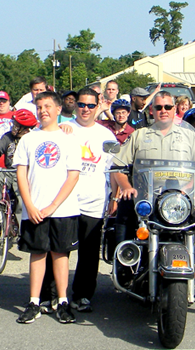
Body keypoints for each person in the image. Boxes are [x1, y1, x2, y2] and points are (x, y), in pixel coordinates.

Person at [113, 91, 195, 323]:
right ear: (152, 110)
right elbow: (118, 166)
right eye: (158, 107)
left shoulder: (188, 136)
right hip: (148, 200)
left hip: (180, 202)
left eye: (168, 107)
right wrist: (127, 187)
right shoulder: (139, 136)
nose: (163, 111)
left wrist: (187, 188)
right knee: (125, 218)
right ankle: (124, 270)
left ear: (174, 108)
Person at [14, 91, 82, 324]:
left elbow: (73, 175)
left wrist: (54, 205)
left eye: (48, 106)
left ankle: (62, 301)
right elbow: (21, 174)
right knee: (37, 253)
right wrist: (29, 205)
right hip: (35, 208)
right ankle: (34, 301)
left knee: (60, 254)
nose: (43, 111)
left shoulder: (69, 138)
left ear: (58, 109)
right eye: (39, 107)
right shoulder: (28, 139)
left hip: (62, 209)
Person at [60, 87, 117, 312]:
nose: (85, 109)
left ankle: (83, 294)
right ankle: (56, 294)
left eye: (91, 105)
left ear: (98, 106)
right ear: (74, 105)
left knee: (89, 251)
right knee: (60, 249)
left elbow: (114, 168)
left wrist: (115, 196)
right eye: (81, 104)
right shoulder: (64, 129)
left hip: (94, 200)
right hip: (66, 200)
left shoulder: (106, 135)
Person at [0, 109, 38, 208]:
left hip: (25, 173)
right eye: (14, 124)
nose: (13, 127)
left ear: (27, 129)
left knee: (20, 201)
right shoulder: (8, 136)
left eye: (17, 126)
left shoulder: (32, 139)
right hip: (10, 171)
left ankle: (19, 219)